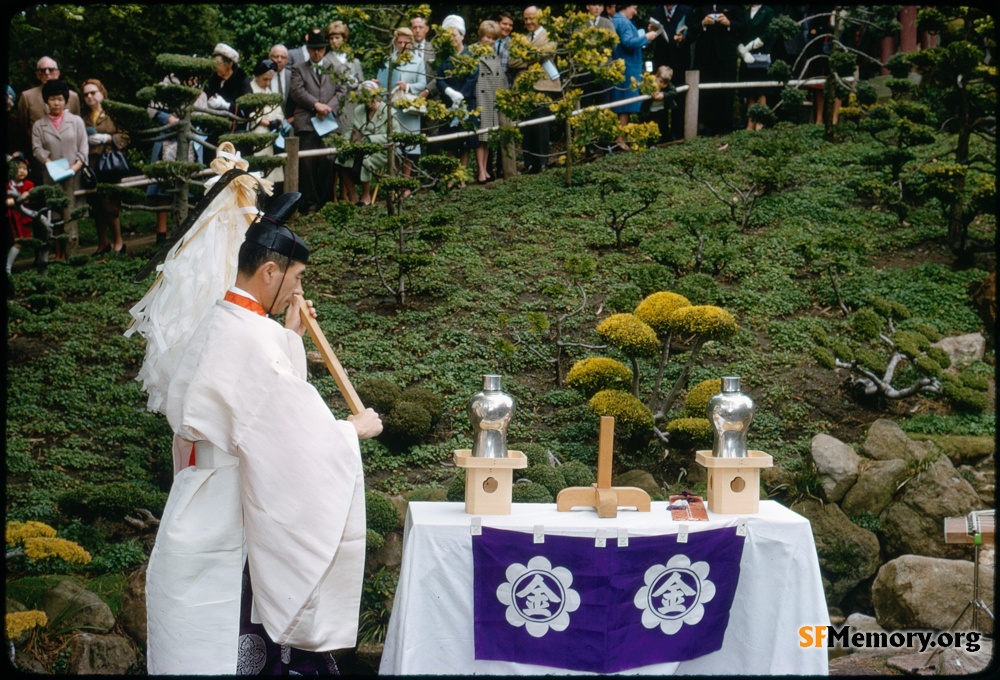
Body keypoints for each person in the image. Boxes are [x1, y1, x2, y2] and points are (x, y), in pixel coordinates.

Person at [144, 189, 383, 674]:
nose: (298, 290)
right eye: (295, 279)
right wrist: (350, 431)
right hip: (232, 501)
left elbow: (263, 401)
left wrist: (289, 335)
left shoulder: (223, 320)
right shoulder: (250, 336)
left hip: (205, 497)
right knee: (236, 633)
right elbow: (288, 432)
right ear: (270, 272)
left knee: (203, 634)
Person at [289, 27, 347, 213]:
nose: (316, 52)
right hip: (307, 122)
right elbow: (297, 91)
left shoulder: (336, 68)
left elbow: (343, 91)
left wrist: (328, 107)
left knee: (328, 161)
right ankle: (310, 203)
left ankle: (326, 202)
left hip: (328, 122)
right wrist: (316, 105)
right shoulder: (298, 68)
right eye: (313, 48)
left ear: (325, 49)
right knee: (307, 163)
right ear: (308, 48)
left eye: (320, 48)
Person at [145, 73, 207, 244]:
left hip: (190, 140)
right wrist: (169, 118)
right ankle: (161, 234)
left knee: (191, 186)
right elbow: (152, 109)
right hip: (167, 137)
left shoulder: (200, 92)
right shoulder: (166, 86)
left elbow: (204, 116)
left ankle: (188, 231)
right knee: (162, 188)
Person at [31, 78, 87, 261]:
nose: (57, 103)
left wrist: (77, 165)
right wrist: (48, 162)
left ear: (66, 100)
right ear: (46, 100)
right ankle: (58, 252)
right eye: (53, 99)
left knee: (71, 212)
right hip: (51, 174)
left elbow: (83, 146)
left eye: (60, 99)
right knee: (53, 214)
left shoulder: (76, 121)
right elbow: (36, 148)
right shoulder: (39, 125)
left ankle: (73, 252)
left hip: (73, 173)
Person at [508, 6, 561, 174]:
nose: (529, 22)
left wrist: (525, 56)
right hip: (523, 87)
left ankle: (543, 162)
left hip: (543, 85)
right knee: (526, 125)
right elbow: (512, 61)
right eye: (526, 19)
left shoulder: (550, 35)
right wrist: (531, 58)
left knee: (541, 124)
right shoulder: (521, 38)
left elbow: (546, 53)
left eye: (532, 18)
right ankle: (529, 163)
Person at [81, 78, 129, 255]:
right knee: (95, 204)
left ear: (102, 92)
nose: (90, 97)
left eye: (93, 92)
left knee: (110, 204)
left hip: (109, 162)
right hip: (91, 164)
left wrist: (109, 139)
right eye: (86, 94)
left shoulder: (113, 113)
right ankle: (103, 244)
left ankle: (119, 242)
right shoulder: (83, 118)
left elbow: (126, 136)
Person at [376, 27, 426, 194]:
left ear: (411, 43)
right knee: (394, 147)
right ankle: (396, 185)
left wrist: (408, 86)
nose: (403, 45)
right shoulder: (388, 60)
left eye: (407, 42)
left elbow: (423, 83)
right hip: (393, 110)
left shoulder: (418, 61)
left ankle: (406, 186)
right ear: (395, 43)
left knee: (410, 148)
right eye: (400, 42)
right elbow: (382, 85)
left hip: (410, 110)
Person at [16, 57, 81, 183]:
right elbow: (22, 127)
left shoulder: (72, 97)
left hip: (69, 160)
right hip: (40, 161)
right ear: (37, 74)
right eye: (42, 70)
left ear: (58, 73)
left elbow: (77, 128)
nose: (47, 73)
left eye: (50, 70)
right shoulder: (27, 97)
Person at [335, 80, 400, 206]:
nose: (366, 101)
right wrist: (344, 145)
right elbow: (351, 130)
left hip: (381, 150)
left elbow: (395, 136)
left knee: (366, 160)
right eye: (363, 97)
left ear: (376, 95)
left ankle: (366, 195)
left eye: (369, 97)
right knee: (340, 161)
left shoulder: (388, 111)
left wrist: (372, 139)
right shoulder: (359, 110)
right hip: (359, 148)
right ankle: (353, 196)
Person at [689, 4, 746, 136]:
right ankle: (707, 127)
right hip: (705, 55)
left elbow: (743, 26)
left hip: (726, 55)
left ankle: (725, 127)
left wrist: (728, 23)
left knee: (726, 91)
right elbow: (691, 27)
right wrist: (703, 23)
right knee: (707, 91)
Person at [435, 15, 478, 186]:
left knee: (465, 141)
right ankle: (451, 175)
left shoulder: (470, 55)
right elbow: (438, 77)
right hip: (448, 102)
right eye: (449, 36)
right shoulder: (443, 57)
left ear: (462, 35)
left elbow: (473, 77)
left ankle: (462, 175)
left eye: (455, 35)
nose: (453, 39)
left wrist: (461, 95)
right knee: (450, 141)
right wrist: (449, 92)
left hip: (467, 102)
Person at [610, 5, 659, 152]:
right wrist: (647, 37)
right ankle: (620, 140)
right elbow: (628, 42)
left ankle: (621, 138)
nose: (636, 12)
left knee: (623, 105)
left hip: (624, 66)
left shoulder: (617, 20)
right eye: (634, 8)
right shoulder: (623, 22)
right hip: (627, 68)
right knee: (624, 106)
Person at [648, 4, 694, 141]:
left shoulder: (686, 10)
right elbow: (652, 37)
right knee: (658, 95)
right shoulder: (656, 10)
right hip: (661, 59)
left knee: (678, 95)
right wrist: (651, 31)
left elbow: (693, 33)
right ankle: (661, 133)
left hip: (680, 59)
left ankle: (677, 132)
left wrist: (683, 38)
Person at [473, 20, 507, 184]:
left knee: (486, 137)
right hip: (479, 98)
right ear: (481, 36)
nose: (490, 41)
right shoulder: (473, 52)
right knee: (480, 137)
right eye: (487, 37)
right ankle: (480, 170)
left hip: (492, 99)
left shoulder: (493, 54)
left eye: (493, 39)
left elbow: (500, 77)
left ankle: (485, 169)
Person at [204, 43, 253, 147]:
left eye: (219, 63)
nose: (215, 66)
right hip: (214, 134)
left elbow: (247, 110)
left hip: (235, 134)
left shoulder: (241, 81)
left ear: (229, 64)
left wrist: (226, 105)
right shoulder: (213, 80)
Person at [739, 4, 776, 131]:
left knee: (761, 90)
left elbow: (769, 31)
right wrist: (743, 51)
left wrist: (751, 46)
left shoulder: (768, 11)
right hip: (746, 56)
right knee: (749, 91)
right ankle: (750, 122)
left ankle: (760, 122)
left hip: (761, 54)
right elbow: (741, 31)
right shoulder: (745, 12)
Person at [6, 151, 34, 279]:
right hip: (12, 216)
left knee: (23, 240)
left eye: (24, 168)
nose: (21, 171)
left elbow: (30, 195)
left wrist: (25, 196)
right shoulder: (8, 185)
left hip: (23, 216)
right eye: (18, 169)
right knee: (18, 241)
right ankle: (8, 268)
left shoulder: (28, 184)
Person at [267, 44, 294, 119]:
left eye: (283, 57)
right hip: (269, 119)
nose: (279, 60)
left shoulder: (293, 76)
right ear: (270, 58)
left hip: (290, 121)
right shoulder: (263, 77)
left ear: (287, 60)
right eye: (276, 57)